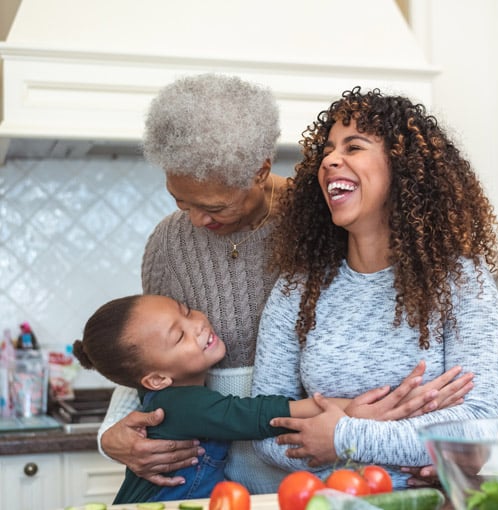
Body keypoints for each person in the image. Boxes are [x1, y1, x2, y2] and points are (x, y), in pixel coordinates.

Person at [97, 74, 475, 494]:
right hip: (217, 476)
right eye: (181, 202)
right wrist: (111, 432)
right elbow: (145, 351)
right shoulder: (168, 246)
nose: (196, 220)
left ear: (259, 170)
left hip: (318, 467)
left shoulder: (324, 221)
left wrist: (423, 451)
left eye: (214, 206)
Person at [251, 86, 498, 489]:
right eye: (327, 151)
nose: (331, 160)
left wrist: (342, 433)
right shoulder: (297, 287)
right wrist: (413, 429)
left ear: (402, 167)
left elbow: (475, 429)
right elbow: (264, 430)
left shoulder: (460, 280)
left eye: (353, 147)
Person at [76, 294, 434, 502]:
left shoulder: (166, 395)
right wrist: (350, 411)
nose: (198, 325)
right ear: (156, 378)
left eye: (186, 311)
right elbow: (263, 415)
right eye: (179, 335)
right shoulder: (183, 405)